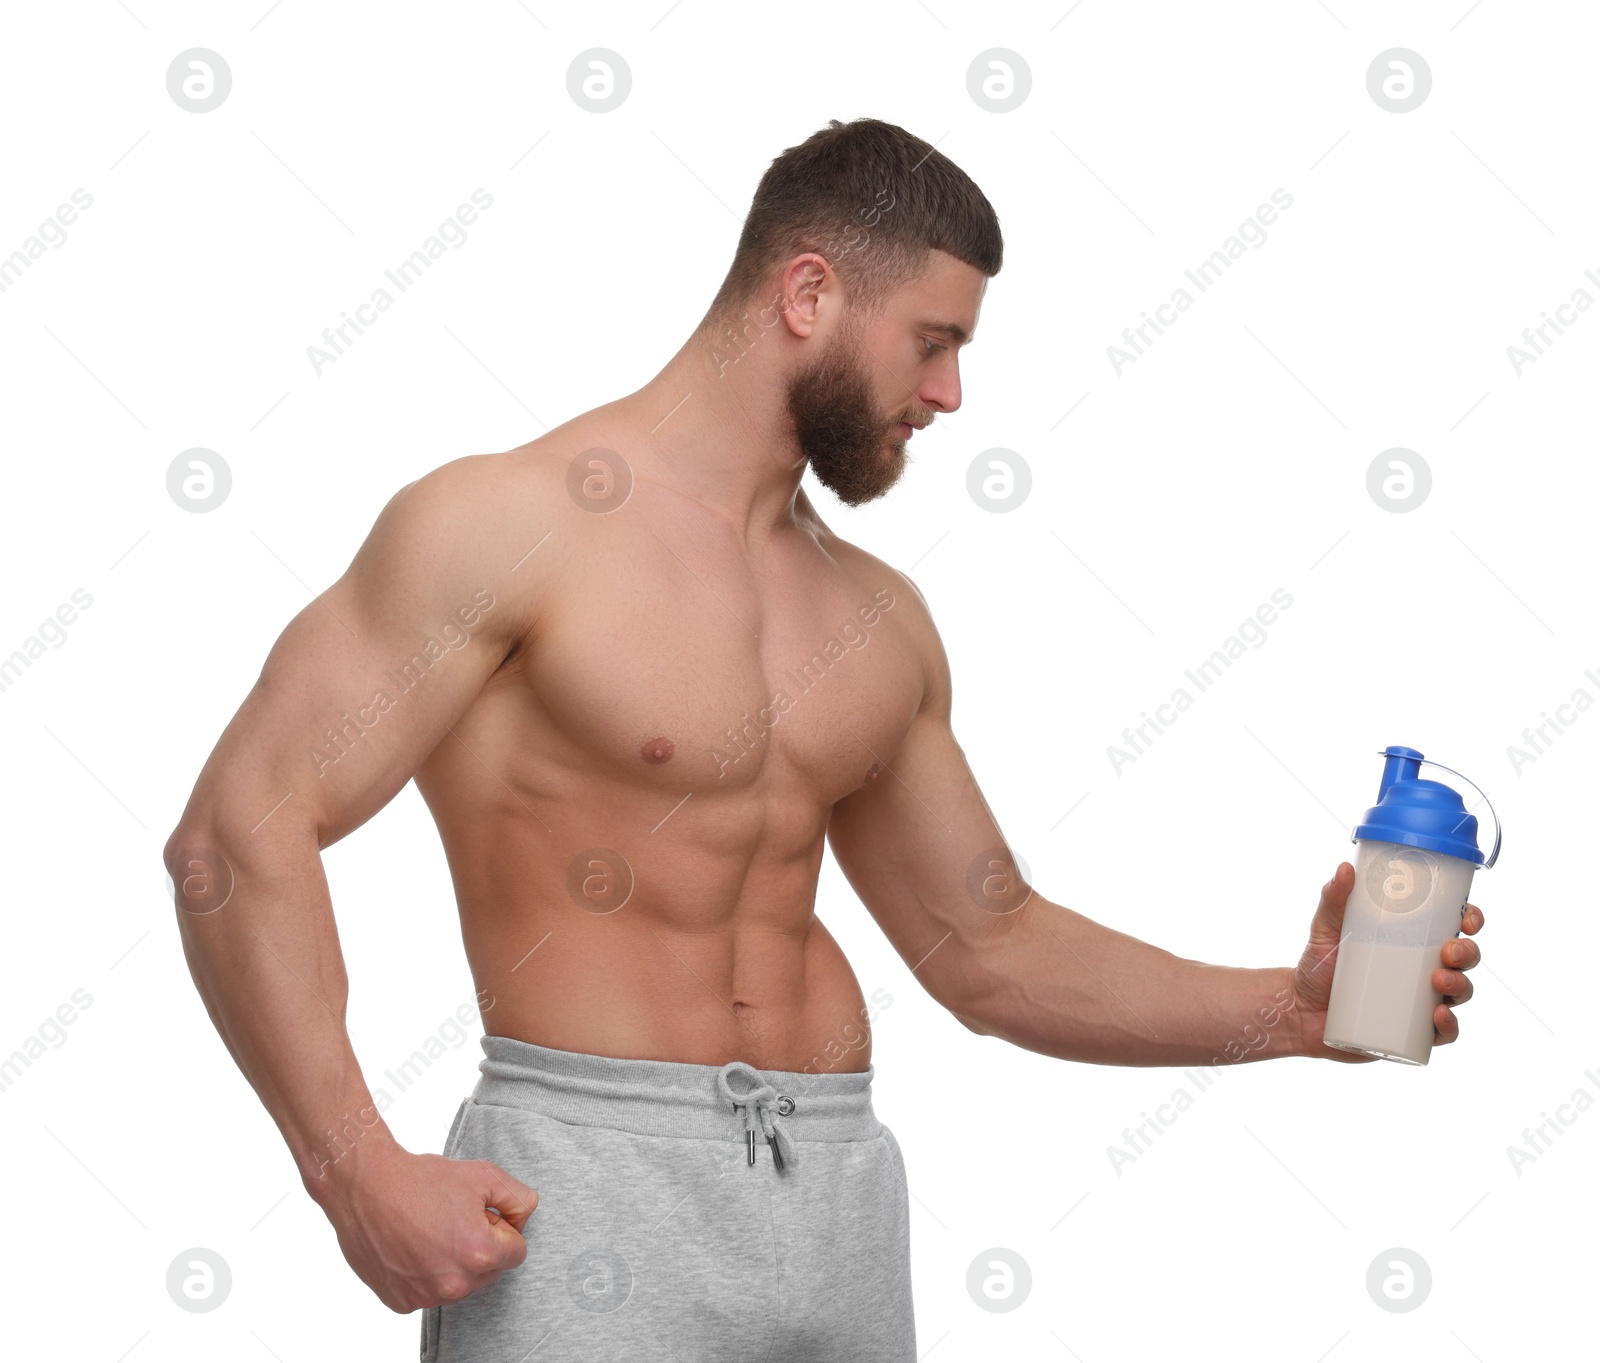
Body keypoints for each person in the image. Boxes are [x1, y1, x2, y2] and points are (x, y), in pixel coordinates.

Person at [163, 117, 1484, 1361]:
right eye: (930, 341)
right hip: (586, 1194)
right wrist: (354, 1172)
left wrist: (1288, 1009)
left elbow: (991, 946)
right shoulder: (510, 525)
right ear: (808, 296)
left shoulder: (872, 617)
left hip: (840, 1203)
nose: (953, 392)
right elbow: (241, 829)